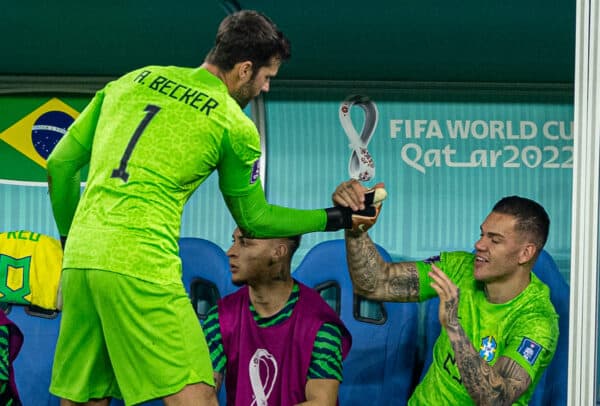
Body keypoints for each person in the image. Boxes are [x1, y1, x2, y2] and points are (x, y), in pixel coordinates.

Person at [46, 10, 363, 406]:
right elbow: (254, 218)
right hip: (141, 263)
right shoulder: (232, 123)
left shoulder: (131, 80)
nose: (265, 89)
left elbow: (59, 166)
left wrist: (70, 241)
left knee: (85, 398)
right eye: (266, 78)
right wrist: (336, 218)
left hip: (81, 261)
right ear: (245, 69)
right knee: (197, 396)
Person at [332, 179, 559, 406]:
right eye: (482, 234)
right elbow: (375, 283)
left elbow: (496, 399)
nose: (479, 244)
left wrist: (453, 326)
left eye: (495, 240)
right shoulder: (460, 267)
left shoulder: (536, 320)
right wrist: (356, 230)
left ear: (525, 253)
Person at [202, 228, 351, 405]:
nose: (231, 252)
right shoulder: (220, 317)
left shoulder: (321, 326)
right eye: (233, 241)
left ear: (278, 252)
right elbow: (204, 392)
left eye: (244, 243)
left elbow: (321, 402)